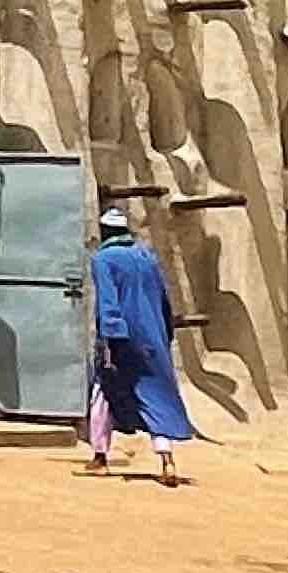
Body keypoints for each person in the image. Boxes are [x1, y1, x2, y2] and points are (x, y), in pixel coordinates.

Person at [83, 208, 198, 485]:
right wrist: (164, 333)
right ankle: (167, 459)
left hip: (122, 337)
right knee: (155, 395)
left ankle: (100, 458)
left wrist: (110, 338)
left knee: (102, 391)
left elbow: (108, 302)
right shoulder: (147, 257)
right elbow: (164, 300)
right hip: (152, 336)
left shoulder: (104, 259)